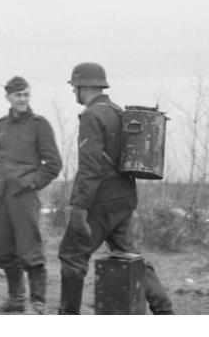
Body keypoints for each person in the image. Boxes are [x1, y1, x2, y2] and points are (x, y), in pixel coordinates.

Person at [57, 62, 173, 315]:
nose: (73, 91)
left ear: (82, 86)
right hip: (124, 196)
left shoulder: (91, 116)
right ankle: (164, 309)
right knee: (127, 253)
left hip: (100, 200)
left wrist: (79, 208)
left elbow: (90, 166)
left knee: (72, 256)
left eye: (74, 86)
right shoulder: (116, 111)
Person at [0, 76, 62, 314]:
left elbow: (53, 164)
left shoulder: (40, 125)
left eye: (26, 95)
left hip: (24, 196)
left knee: (30, 249)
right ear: (8, 97)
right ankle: (16, 299)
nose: (22, 99)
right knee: (3, 250)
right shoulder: (2, 125)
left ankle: (37, 301)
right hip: (0, 195)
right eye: (18, 95)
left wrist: (32, 184)